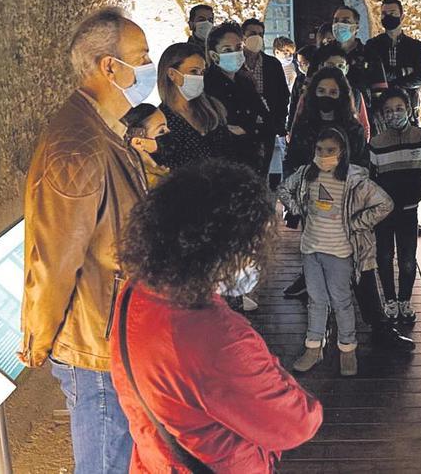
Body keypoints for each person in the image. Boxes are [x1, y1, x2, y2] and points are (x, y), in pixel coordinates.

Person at [111, 159, 324, 472]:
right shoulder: (217, 337)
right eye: (250, 247)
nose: (254, 258)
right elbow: (297, 421)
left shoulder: (137, 290)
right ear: (218, 248)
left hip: (156, 460)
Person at [19, 7, 153, 473]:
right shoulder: (78, 145)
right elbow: (56, 258)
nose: (148, 67)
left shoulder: (104, 131)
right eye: (142, 57)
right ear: (109, 66)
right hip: (95, 342)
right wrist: (38, 337)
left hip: (114, 331)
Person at [282, 67, 414, 350]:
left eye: (333, 92)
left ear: (342, 95)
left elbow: (363, 166)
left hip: (348, 207)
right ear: (313, 94)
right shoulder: (304, 128)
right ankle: (324, 327)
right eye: (321, 92)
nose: (327, 97)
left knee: (362, 267)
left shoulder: (352, 128)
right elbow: (293, 165)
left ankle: (378, 325)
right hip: (316, 208)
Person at [279, 127, 394, 376]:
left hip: (340, 252)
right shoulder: (305, 175)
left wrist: (356, 223)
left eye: (330, 150)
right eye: (319, 150)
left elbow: (385, 203)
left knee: (341, 302)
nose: (324, 155)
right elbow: (284, 190)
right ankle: (313, 347)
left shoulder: (354, 180)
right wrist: (298, 208)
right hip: (311, 249)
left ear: (342, 151)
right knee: (316, 301)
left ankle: (347, 349)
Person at [367, 89, 421, 323]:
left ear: (409, 110)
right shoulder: (376, 143)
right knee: (383, 256)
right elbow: (371, 180)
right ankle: (390, 301)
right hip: (384, 211)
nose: (395, 114)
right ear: (382, 115)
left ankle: (405, 300)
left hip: (410, 209)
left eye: (399, 108)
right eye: (389, 111)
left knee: (408, 259)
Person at [152, 42, 234, 171]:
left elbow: (229, 155)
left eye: (202, 72)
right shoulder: (161, 121)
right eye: (194, 71)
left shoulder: (212, 109)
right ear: (172, 74)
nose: (199, 77)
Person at [204, 22, 271, 177]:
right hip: (222, 167)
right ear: (214, 55)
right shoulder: (207, 85)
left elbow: (266, 120)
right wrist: (250, 126)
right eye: (227, 50)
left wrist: (248, 129)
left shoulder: (245, 82)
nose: (235, 53)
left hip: (251, 162)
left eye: (238, 48)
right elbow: (217, 129)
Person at [287, 43, 372, 140]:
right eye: (330, 65)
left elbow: (364, 124)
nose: (336, 69)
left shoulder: (355, 93)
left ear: (346, 69)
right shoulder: (309, 93)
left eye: (340, 66)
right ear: (321, 66)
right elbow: (298, 121)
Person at [241, 18, 290, 179]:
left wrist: (279, 122)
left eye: (260, 34)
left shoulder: (272, 64)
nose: (257, 37)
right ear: (243, 36)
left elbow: (283, 94)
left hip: (267, 125)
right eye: (252, 33)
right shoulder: (236, 64)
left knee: (263, 169)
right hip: (243, 125)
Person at [366, 0, 421, 114]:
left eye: (392, 13)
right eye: (384, 14)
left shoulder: (415, 46)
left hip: (408, 106)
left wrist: (390, 84)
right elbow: (374, 75)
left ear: (402, 16)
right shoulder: (372, 45)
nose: (388, 16)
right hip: (380, 106)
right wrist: (402, 72)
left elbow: (419, 78)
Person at [331, 5, 388, 107]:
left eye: (345, 21)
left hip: (361, 112)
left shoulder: (369, 55)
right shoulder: (323, 53)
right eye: (336, 21)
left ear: (356, 27)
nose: (339, 25)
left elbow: (380, 93)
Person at [120, 103, 171, 189]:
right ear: (138, 142)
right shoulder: (151, 184)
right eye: (161, 131)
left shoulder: (158, 171)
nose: (169, 132)